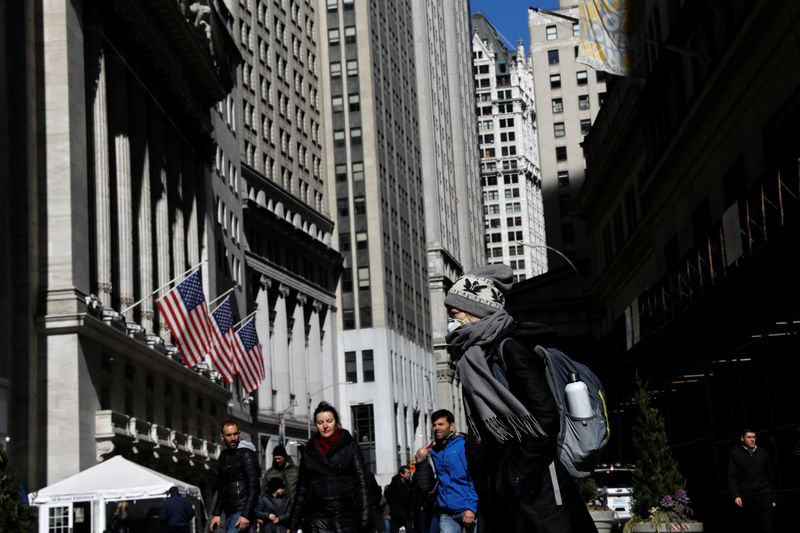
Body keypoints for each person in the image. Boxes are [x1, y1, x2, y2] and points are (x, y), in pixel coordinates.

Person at [443, 264, 596, 532]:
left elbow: (545, 417)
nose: (450, 322)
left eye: (454, 313)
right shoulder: (476, 358)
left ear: (476, 310)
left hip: (537, 489)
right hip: (505, 491)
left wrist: (514, 475)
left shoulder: (509, 349)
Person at [288, 401, 370, 533]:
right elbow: (302, 488)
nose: (325, 426)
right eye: (320, 423)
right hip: (317, 517)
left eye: (329, 421)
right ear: (316, 425)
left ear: (335, 422)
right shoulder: (309, 450)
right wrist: (293, 523)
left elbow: (361, 481)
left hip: (346, 515)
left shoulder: (350, 445)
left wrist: (365, 514)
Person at [415, 409, 478, 533]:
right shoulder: (434, 451)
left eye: (441, 424)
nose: (437, 428)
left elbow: (474, 478)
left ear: (452, 426)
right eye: (434, 425)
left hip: (467, 509)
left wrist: (471, 507)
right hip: (446, 512)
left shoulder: (463, 446)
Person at [210, 419, 261, 532]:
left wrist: (246, 514)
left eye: (235, 434)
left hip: (242, 511)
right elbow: (221, 487)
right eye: (228, 435)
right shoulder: (223, 457)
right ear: (222, 437)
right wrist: (217, 514)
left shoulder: (247, 454)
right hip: (228, 512)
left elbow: (254, 487)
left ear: (239, 434)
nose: (233, 438)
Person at [728, 429, 776, 533]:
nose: (752, 440)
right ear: (742, 439)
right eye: (749, 437)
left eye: (754, 437)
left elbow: (770, 475)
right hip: (747, 496)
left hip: (764, 495)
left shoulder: (763, 452)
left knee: (767, 527)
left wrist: (773, 498)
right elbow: (732, 476)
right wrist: (736, 495)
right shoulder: (735, 454)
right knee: (751, 526)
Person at [411, 448, 438, 533]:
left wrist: (418, 505)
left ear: (416, 456)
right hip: (424, 506)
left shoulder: (423, 468)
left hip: (422, 508)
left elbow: (424, 488)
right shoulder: (424, 467)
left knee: (422, 529)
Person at [384, 465, 414, 533]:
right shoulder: (394, 483)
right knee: (394, 530)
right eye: (407, 473)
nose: (409, 475)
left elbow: (412, 496)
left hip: (407, 513)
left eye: (409, 473)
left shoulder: (409, 483)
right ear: (401, 474)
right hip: (396, 514)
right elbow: (388, 496)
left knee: (410, 530)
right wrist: (394, 506)